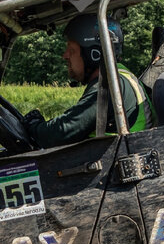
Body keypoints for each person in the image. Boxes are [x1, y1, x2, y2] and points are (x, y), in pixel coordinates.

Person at [24, 13, 153, 148]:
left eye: (72, 50)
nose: (65, 55)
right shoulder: (119, 77)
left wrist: (34, 126)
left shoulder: (109, 86)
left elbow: (62, 132)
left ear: (94, 54)